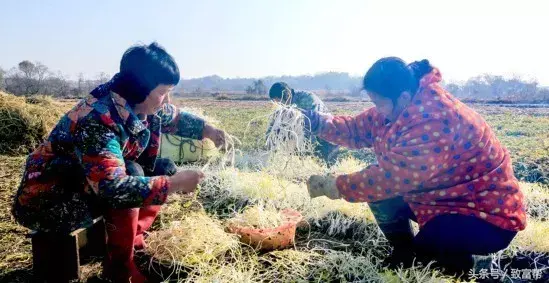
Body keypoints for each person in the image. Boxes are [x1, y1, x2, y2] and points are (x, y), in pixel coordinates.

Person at [12, 42, 228, 283]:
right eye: (162, 92)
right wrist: (174, 184)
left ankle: (133, 240)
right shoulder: (97, 119)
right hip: (48, 202)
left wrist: (208, 130)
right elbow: (113, 188)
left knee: (161, 167)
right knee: (136, 172)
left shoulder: (138, 102)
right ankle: (120, 269)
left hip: (83, 185)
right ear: (140, 88)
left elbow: (173, 116)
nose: (166, 99)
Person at [304, 57, 526, 275]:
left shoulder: (434, 119)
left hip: (485, 216)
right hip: (441, 201)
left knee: (427, 261)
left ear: (403, 96)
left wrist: (335, 186)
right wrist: (318, 122)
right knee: (387, 206)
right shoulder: (399, 107)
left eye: (379, 103)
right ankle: (406, 251)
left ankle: (467, 267)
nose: (377, 109)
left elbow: (389, 178)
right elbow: (355, 129)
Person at [268, 82, 339, 165]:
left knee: (325, 166)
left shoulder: (306, 99)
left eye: (280, 102)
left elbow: (311, 125)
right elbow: (273, 125)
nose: (280, 106)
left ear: (287, 95)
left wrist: (302, 148)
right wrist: (269, 142)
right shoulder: (284, 106)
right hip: (310, 136)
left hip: (327, 136)